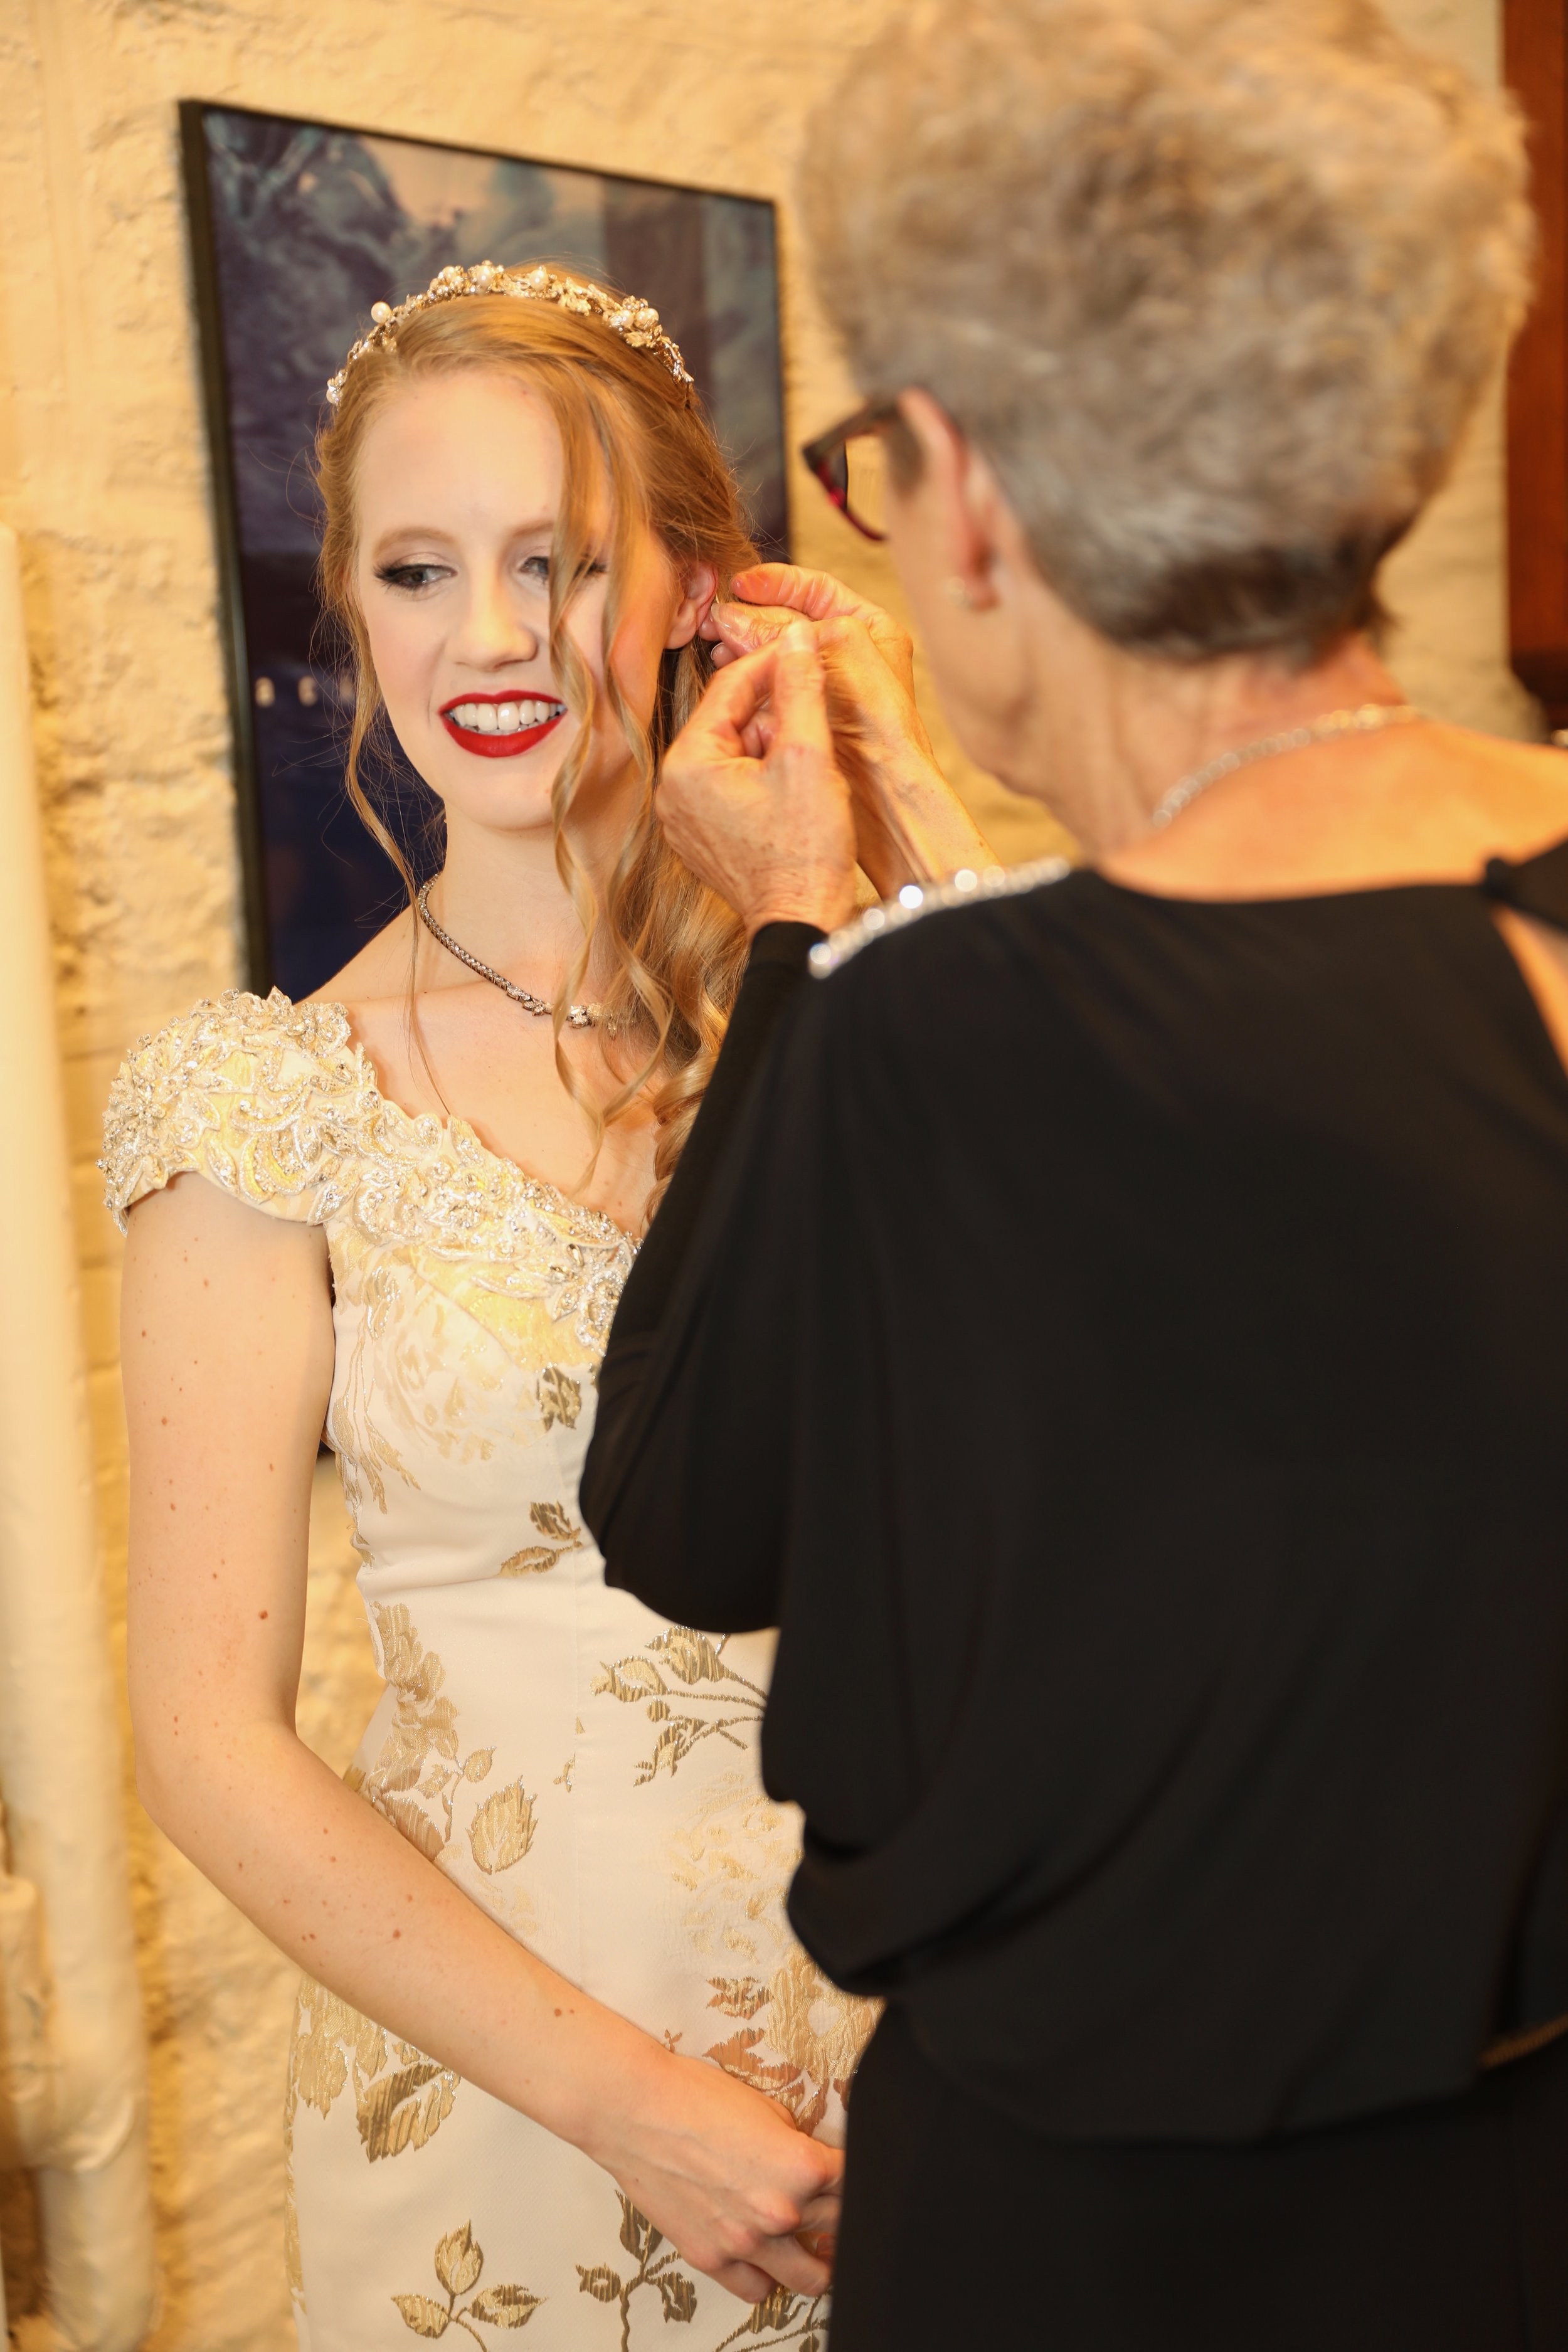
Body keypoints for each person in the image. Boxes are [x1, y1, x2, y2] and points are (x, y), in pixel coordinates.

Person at [581, 4, 1568, 2344]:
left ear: (973, 489)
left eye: (868, 472)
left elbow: (686, 1514)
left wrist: (807, 934)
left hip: (1096, 2251)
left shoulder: (935, 1041)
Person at [103, 262, 986, 2348]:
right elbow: (206, 1742)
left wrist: (897, 814)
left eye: (563, 564)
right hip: (534, 2129)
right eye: (419, 569)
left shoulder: (887, 1003)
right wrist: (634, 2109)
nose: (485, 640)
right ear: (353, 605)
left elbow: (1164, 1391)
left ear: (706, 590)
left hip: (959, 2049)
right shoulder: (259, 1103)